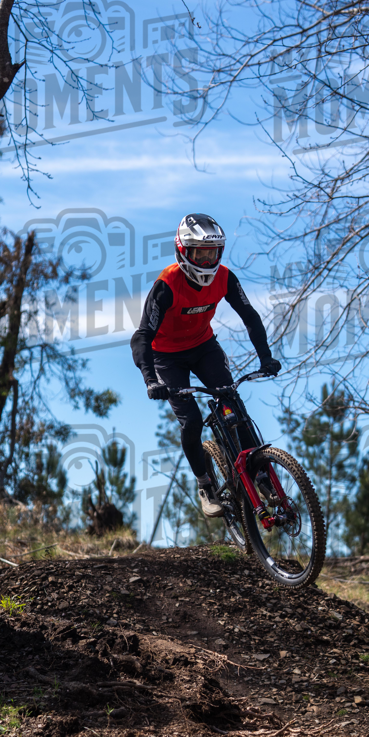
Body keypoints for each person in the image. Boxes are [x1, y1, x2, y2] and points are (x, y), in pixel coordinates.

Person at [131, 213, 281, 517]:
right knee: (192, 420)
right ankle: (206, 484)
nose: (207, 260)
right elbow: (142, 336)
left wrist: (266, 357)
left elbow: (249, 316)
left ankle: (260, 473)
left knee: (233, 403)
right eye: (200, 253)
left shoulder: (225, 277)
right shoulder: (167, 285)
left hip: (203, 347)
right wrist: (150, 380)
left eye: (212, 253)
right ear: (184, 251)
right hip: (166, 356)